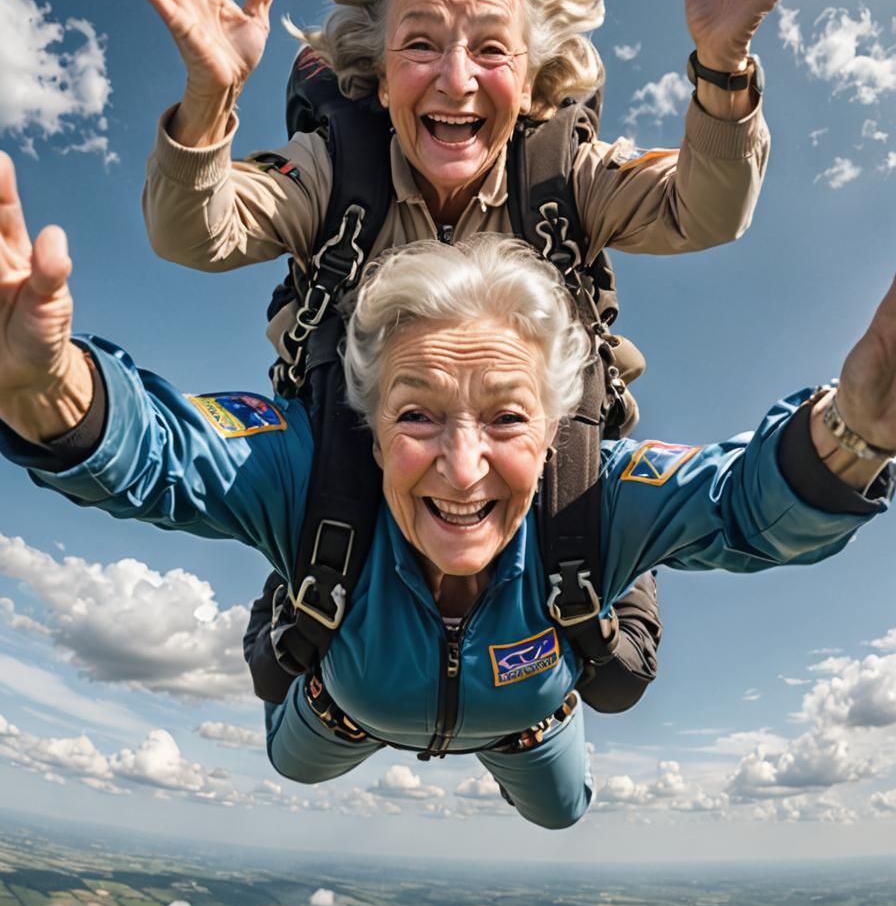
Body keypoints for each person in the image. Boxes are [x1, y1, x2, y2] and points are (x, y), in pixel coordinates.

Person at [0, 151, 892, 830]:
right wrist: (49, 392)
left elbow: (741, 502)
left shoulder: (591, 499)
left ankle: (508, 713)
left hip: (524, 725)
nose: (462, 470)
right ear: (368, 419)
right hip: (344, 707)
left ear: (552, 430)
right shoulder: (314, 471)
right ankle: (313, 644)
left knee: (562, 810)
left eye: (506, 421)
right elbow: (164, 455)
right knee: (295, 764)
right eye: (419, 416)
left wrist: (858, 429)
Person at [132, 0, 822, 399]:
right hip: (345, 492)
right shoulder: (331, 170)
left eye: (492, 49)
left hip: (546, 508)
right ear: (376, 75)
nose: (456, 80)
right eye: (422, 44)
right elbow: (191, 232)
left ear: (528, 88)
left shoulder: (566, 177)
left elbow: (706, 212)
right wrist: (208, 97)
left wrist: (724, 66)